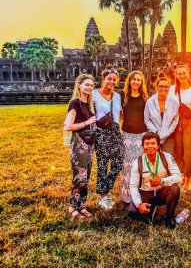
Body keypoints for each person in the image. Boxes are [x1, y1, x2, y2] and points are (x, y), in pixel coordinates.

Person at [128, 132, 182, 229]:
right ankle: (150, 211)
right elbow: (133, 186)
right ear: (143, 147)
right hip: (146, 193)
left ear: (158, 146)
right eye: (147, 144)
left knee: (174, 189)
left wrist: (162, 181)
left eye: (153, 143)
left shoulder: (167, 157)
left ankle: (169, 217)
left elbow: (178, 177)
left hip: (162, 192)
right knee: (132, 212)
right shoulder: (138, 162)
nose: (150, 146)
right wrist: (139, 204)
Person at [64, 74, 97, 221]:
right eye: (86, 84)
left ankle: (82, 205)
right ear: (79, 85)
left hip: (90, 144)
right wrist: (87, 122)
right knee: (79, 178)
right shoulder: (75, 103)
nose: (89, 87)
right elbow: (68, 126)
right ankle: (72, 207)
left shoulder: (89, 103)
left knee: (86, 177)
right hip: (79, 143)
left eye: (91, 85)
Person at [93, 65, 124, 210]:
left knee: (118, 162)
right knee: (103, 164)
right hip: (101, 132)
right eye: (109, 79)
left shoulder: (117, 96)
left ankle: (104, 188)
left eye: (114, 80)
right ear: (103, 80)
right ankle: (103, 197)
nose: (111, 82)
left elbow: (121, 114)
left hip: (115, 131)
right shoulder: (93, 94)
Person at [170, 64, 191, 190]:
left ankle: (188, 180)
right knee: (178, 149)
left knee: (189, 150)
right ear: (175, 75)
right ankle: (181, 175)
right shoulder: (172, 89)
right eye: (179, 74)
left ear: (188, 73)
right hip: (177, 122)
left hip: (190, 121)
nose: (182, 76)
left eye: (184, 73)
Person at [121, 70, 149, 204]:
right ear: (129, 81)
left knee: (139, 165)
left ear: (141, 82)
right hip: (127, 135)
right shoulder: (123, 96)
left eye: (139, 80)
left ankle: (139, 194)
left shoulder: (145, 98)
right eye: (134, 79)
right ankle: (127, 196)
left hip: (141, 136)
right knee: (127, 165)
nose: (136, 82)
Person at [144, 73, 179, 156]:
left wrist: (168, 132)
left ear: (169, 88)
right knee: (153, 162)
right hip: (153, 137)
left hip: (169, 138)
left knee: (167, 162)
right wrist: (155, 132)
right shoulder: (150, 102)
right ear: (156, 87)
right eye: (161, 86)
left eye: (166, 86)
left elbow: (175, 119)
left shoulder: (174, 102)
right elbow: (147, 120)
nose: (163, 88)